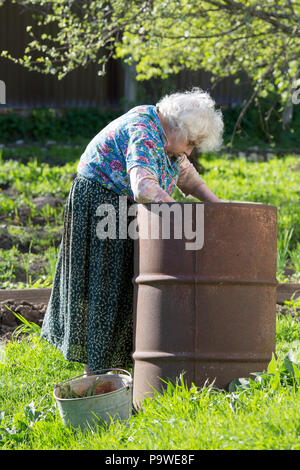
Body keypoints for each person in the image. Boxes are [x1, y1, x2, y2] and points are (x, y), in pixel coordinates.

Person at [40, 87, 224, 374]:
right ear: (177, 127)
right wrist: (179, 213)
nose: (189, 151)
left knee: (128, 283)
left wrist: (220, 206)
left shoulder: (169, 138)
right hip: (101, 203)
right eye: (190, 143)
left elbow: (187, 177)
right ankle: (96, 373)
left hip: (122, 205)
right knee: (106, 285)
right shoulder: (144, 130)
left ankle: (120, 368)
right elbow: (144, 187)